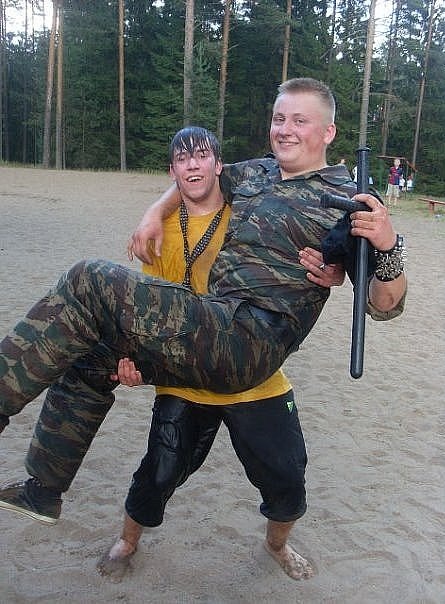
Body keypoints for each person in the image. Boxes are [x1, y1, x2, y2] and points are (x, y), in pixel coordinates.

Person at [0, 77, 406, 570]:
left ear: (328, 132)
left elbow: (384, 305)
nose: (285, 129)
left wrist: (388, 246)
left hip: (250, 340)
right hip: (210, 326)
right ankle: (43, 488)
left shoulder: (349, 199)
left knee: (88, 279)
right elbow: (193, 180)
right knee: (91, 355)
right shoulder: (255, 172)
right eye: (279, 118)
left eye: (300, 120)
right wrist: (154, 213)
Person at [93, 126, 344, 581]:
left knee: (287, 477)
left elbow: (314, 248)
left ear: (219, 165)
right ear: (172, 171)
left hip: (256, 377)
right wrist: (132, 364)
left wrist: (334, 268)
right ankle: (128, 540)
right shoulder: (160, 234)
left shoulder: (251, 214)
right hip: (187, 377)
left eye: (202, 156)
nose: (193, 165)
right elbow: (151, 313)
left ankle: (277, 545)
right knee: (158, 472)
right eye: (182, 159)